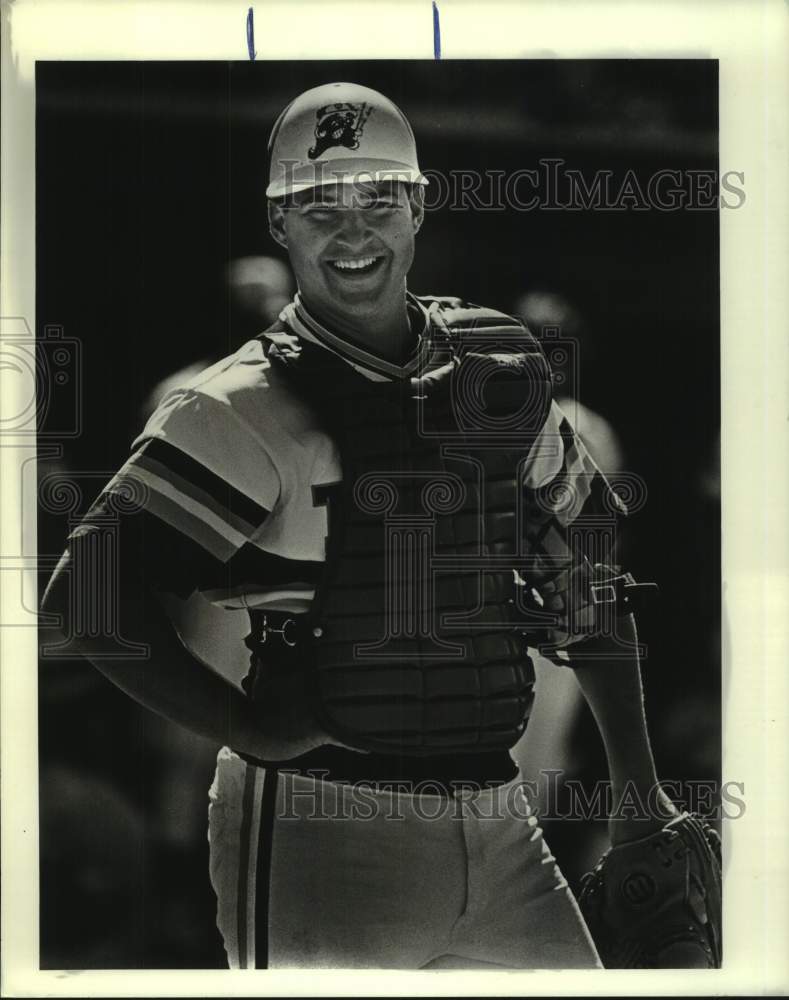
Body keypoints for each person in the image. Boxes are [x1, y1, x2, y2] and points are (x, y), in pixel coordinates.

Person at [43, 82, 685, 970]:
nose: (352, 230)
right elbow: (88, 598)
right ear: (278, 221)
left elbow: (595, 571)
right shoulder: (229, 406)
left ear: (419, 204)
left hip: (501, 813)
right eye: (317, 203)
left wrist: (639, 791)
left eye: (379, 196)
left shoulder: (497, 371)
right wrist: (248, 727)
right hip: (320, 816)